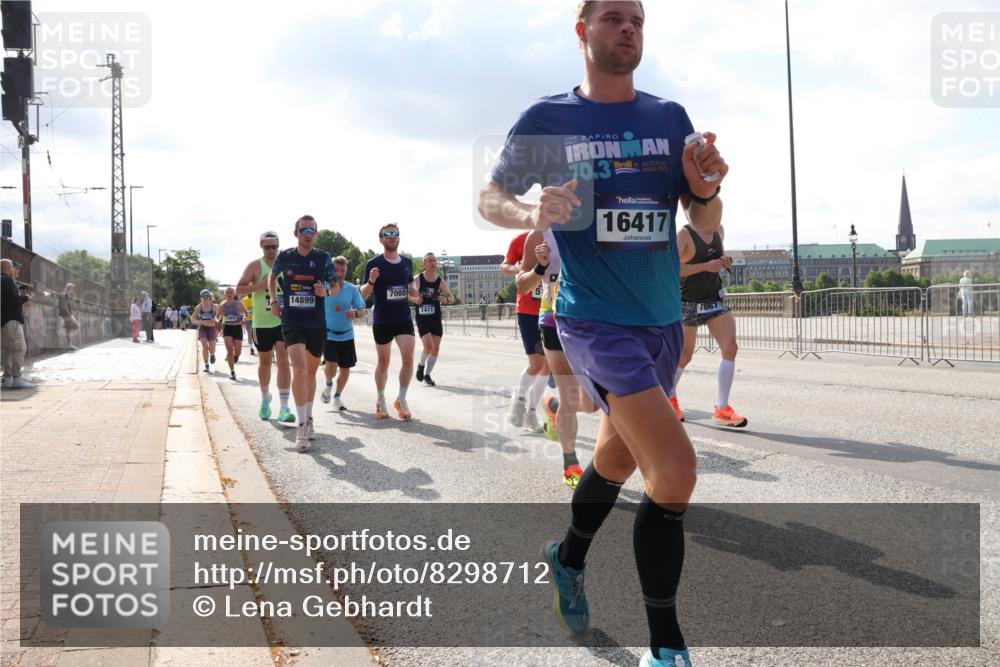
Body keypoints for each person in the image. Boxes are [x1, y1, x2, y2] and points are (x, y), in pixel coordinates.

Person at [478, 2, 730, 664]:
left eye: (638, 20)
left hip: (662, 325)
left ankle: (566, 556)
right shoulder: (549, 120)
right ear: (582, 30)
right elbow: (489, 197)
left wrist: (706, 189)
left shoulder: (668, 118)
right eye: (614, 16)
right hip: (592, 321)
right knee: (673, 471)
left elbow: (704, 217)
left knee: (615, 460)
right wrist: (529, 208)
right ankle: (667, 648)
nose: (629, 29)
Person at [517, 231, 595, 489]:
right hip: (553, 319)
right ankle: (570, 464)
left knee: (593, 403)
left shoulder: (594, 225)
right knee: (571, 393)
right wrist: (540, 266)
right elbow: (523, 285)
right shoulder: (538, 235)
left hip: (590, 320)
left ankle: (554, 406)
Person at [671, 222, 748, 428]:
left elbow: (715, 259)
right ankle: (670, 399)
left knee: (730, 347)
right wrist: (706, 266)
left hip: (714, 298)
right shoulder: (684, 235)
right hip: (687, 301)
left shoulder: (719, 230)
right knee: (685, 355)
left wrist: (723, 261)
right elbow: (673, 268)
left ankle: (722, 408)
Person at [269, 215, 335, 451]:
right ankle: (301, 425)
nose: (309, 234)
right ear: (295, 233)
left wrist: (324, 291)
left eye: (313, 230)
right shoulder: (286, 256)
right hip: (292, 319)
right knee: (299, 368)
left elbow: (334, 286)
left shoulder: (323, 257)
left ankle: (308, 416)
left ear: (316, 234)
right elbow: (271, 276)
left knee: (310, 373)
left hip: (316, 322)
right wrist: (274, 301)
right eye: (304, 229)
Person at [361, 223, 418, 420]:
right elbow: (364, 293)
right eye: (388, 234)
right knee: (383, 362)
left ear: (399, 238)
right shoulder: (373, 263)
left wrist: (414, 292)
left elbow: (410, 285)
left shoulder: (407, 262)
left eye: (395, 234)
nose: (392, 237)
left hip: (403, 318)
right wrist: (371, 281)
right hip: (383, 319)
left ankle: (401, 399)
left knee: (409, 357)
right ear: (381, 239)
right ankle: (380, 398)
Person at [237, 231, 294, 423]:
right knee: (265, 363)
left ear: (279, 246)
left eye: (274, 246)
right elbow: (239, 289)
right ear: (261, 246)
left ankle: (285, 407)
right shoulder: (255, 266)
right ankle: (264, 398)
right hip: (262, 322)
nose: (271, 250)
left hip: (283, 320)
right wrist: (258, 286)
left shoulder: (287, 264)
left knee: (284, 359)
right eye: (267, 247)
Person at [502, 231, 549, 432]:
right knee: (536, 363)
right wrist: (517, 268)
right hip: (528, 310)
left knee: (547, 366)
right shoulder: (521, 239)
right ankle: (519, 401)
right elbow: (504, 266)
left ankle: (531, 413)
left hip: (551, 309)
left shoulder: (557, 237)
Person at [321, 256, 367, 410]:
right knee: (332, 366)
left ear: (346, 271)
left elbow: (362, 310)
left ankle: (337, 397)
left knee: (345, 370)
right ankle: (328, 385)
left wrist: (355, 313)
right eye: (336, 270)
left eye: (342, 270)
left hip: (347, 334)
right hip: (328, 334)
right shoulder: (324, 288)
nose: (339, 273)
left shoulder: (352, 289)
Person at [413, 252, 454, 387]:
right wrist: (415, 299)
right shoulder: (418, 279)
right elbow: (407, 294)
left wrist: (444, 299)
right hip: (423, 318)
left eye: (434, 261)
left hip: (435, 318)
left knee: (435, 349)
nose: (433, 263)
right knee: (428, 346)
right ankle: (421, 365)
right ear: (424, 264)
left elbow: (451, 298)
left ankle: (428, 374)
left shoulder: (439, 281)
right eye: (429, 261)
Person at [1, 258, 32, 389]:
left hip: (2, 321)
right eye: (15, 268)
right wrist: (26, 298)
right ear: (9, 268)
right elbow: (13, 301)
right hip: (11, 321)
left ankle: (7, 378)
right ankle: (16, 378)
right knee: (19, 348)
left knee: (6, 349)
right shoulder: (7, 280)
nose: (17, 270)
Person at [219, 287, 248, 381]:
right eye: (227, 292)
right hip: (227, 327)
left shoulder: (239, 304)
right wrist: (218, 321)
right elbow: (217, 316)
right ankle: (232, 372)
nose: (229, 294)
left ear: (234, 294)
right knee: (230, 350)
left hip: (237, 328)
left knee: (238, 352)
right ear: (224, 294)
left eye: (231, 292)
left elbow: (246, 313)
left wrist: (243, 319)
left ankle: (236, 357)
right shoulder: (222, 305)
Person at [191, 289, 219, 373]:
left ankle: (212, 354)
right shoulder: (199, 307)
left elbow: (219, 316)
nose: (205, 298)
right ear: (201, 297)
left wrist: (216, 320)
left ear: (210, 296)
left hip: (212, 328)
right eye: (203, 296)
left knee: (212, 348)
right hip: (203, 328)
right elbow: (192, 318)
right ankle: (206, 364)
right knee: (204, 347)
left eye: (207, 296)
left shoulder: (214, 306)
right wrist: (197, 322)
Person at [58, 283, 80, 350]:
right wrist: (70, 315)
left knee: (69, 329)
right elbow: (64, 306)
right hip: (66, 315)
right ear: (70, 289)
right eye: (72, 289)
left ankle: (69, 345)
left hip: (64, 315)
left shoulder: (63, 294)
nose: (73, 291)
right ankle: (69, 345)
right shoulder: (65, 294)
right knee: (76, 326)